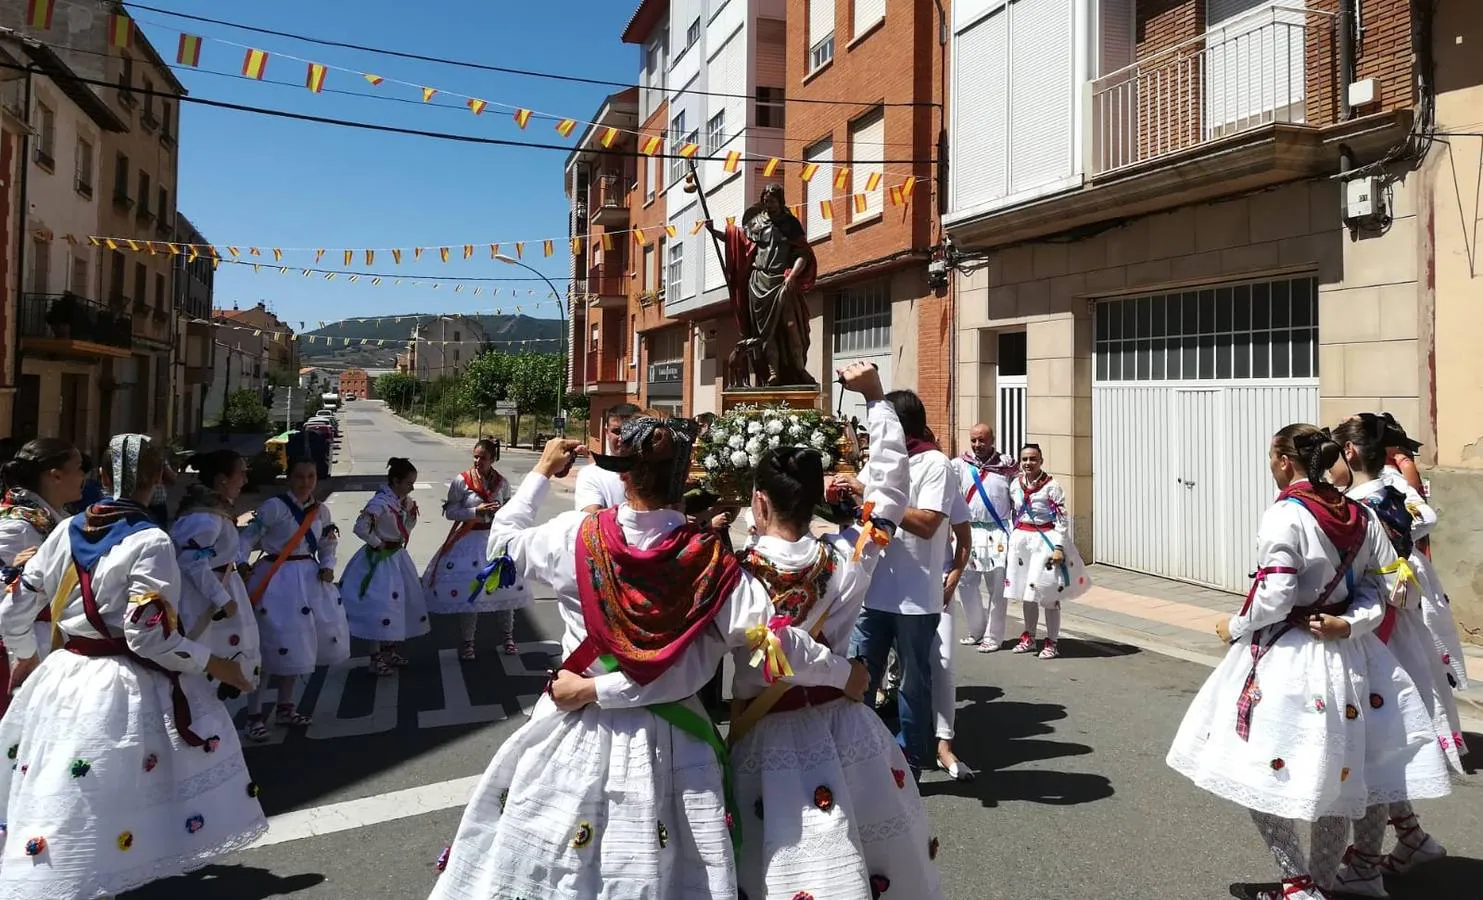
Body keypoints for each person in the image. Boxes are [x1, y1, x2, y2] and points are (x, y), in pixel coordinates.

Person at [430, 422, 868, 900]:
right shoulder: (713, 561)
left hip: (577, 725)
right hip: (677, 742)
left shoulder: (573, 535)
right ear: (685, 481)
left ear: (624, 476)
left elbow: (501, 548)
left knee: (562, 870)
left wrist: (540, 472)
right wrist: (845, 674)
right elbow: (776, 648)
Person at [1165, 424, 1451, 900]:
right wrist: (1350, 625)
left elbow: (1276, 594)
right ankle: (1328, 878)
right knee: (1344, 770)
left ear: (1283, 462)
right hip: (1353, 658)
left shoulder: (1285, 515)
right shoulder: (1359, 514)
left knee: (1254, 763)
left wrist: (1233, 627)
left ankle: (1298, 882)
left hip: (1293, 654)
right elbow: (1378, 592)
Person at [0, 434, 263, 898]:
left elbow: (12, 610)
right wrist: (216, 665)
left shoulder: (64, 529)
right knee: (114, 798)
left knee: (62, 793)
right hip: (123, 684)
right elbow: (148, 634)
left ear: (102, 479)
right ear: (158, 480)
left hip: (62, 675)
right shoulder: (150, 540)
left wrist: (27, 656)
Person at [1329, 414, 1461, 891]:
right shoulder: (1389, 493)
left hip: (1378, 636)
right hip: (1395, 629)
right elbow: (1423, 520)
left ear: (1350, 453)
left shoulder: (1362, 507)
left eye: (1334, 452)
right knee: (1381, 748)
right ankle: (1410, 837)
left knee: (1374, 752)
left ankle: (1364, 863)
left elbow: (1378, 581)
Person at [850, 389, 955, 780]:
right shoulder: (881, 462)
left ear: (898, 424)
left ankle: (910, 761)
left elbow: (928, 524)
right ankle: (858, 752)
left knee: (913, 684)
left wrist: (872, 499)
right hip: (872, 590)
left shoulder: (935, 464)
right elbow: (858, 510)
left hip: (915, 597)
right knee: (859, 675)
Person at [239, 457, 349, 740]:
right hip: (275, 581)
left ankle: (286, 707)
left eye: (311, 476)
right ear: (290, 478)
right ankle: (254, 715)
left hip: (308, 581)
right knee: (269, 647)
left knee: (298, 647)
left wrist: (327, 564)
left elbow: (328, 543)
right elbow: (247, 538)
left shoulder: (320, 510)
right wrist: (240, 563)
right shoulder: (274, 507)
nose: (305, 482)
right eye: (300, 476)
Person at [1378, 415, 1467, 693]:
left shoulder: (1391, 478)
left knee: (1410, 640)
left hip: (1402, 567)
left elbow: (1424, 517)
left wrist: (1394, 538)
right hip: (1400, 564)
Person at [0, 439, 85, 717]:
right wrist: (10, 571)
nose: (84, 476)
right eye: (78, 468)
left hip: (50, 641)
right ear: (55, 475)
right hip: (25, 646)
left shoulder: (52, 519)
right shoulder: (19, 524)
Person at [171, 449, 262, 699]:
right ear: (223, 479)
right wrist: (223, 600)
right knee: (203, 665)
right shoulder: (204, 517)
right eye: (241, 474)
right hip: (204, 600)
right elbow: (193, 562)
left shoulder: (214, 512)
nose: (244, 481)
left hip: (219, 592)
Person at [423, 439, 524, 660]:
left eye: (483, 458)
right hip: (469, 540)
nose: (478, 461)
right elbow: (450, 511)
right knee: (472, 593)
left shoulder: (502, 482)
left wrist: (500, 512)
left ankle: (508, 636)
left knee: (504, 588)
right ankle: (468, 642)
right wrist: (474, 511)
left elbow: (510, 508)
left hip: (493, 539)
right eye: (475, 457)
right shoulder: (462, 481)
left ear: (493, 459)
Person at [712, 182, 817, 387]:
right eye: (765, 201)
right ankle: (772, 372)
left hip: (782, 282)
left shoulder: (791, 224)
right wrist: (713, 231)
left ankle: (799, 369)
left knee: (791, 327)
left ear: (780, 201)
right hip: (758, 283)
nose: (768, 205)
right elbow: (736, 239)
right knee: (765, 334)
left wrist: (792, 275)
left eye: (772, 201)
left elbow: (803, 253)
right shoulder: (756, 223)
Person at [343, 457, 429, 675]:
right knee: (378, 606)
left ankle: (389, 651)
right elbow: (360, 527)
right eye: (409, 482)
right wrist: (377, 542)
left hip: (397, 557)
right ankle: (375, 657)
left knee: (396, 604)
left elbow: (406, 528)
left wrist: (409, 517)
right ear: (395, 481)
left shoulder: (402, 501)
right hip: (380, 559)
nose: (411, 487)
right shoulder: (380, 503)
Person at [1005, 443, 1091, 659]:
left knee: (1048, 593)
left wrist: (1059, 547)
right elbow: (1014, 512)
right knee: (1027, 594)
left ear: (1041, 461)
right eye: (1024, 459)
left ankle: (1051, 641)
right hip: (1022, 542)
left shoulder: (1052, 486)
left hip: (1045, 543)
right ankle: (1029, 637)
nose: (1028, 463)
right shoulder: (1015, 484)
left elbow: (1062, 519)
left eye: (1033, 459)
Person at [950, 423, 1016, 651]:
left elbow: (1019, 499)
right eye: (974, 441)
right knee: (966, 583)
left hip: (997, 532)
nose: (977, 445)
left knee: (997, 588)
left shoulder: (1007, 467)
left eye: (982, 440)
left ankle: (993, 636)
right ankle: (977, 630)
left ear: (992, 440)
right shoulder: (960, 465)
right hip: (968, 532)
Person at [932, 492, 975, 781]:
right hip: (891, 589)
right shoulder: (881, 472)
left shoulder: (942, 474)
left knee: (944, 663)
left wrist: (954, 575)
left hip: (938, 584)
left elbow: (963, 536)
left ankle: (943, 744)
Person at [574, 402, 640, 514]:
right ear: (607, 433)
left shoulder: (652, 471)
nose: (622, 438)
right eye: (616, 431)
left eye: (630, 432)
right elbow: (592, 517)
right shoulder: (591, 474)